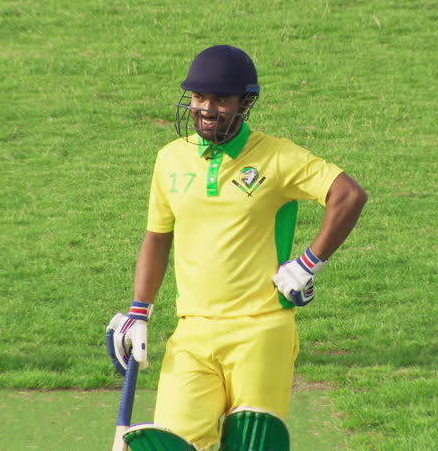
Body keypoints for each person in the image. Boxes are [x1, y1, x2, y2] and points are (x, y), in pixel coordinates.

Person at [107, 45, 366, 450]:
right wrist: (138, 311)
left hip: (262, 331)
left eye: (221, 100)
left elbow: (348, 195)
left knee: (252, 444)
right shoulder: (171, 159)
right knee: (174, 443)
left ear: (245, 103)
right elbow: (157, 236)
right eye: (198, 97)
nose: (207, 108)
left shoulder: (277, 156)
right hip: (191, 333)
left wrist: (307, 263)